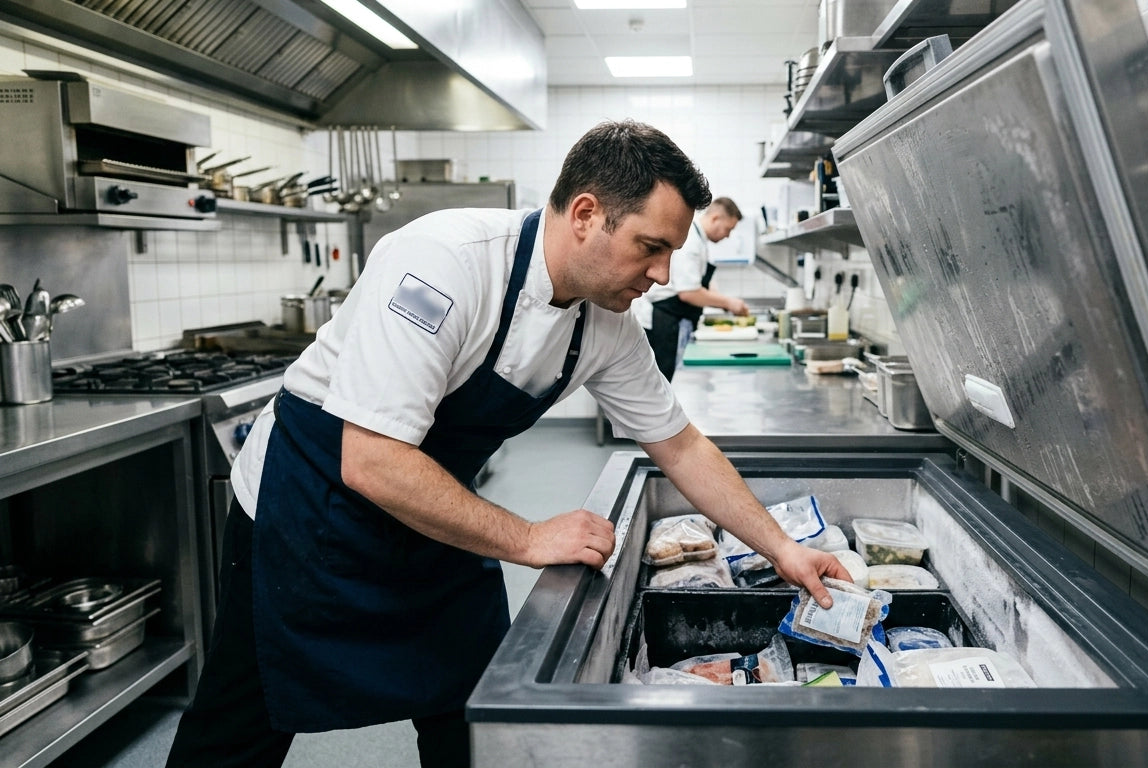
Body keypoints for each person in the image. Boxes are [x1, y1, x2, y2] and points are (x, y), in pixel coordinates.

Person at [165, 120, 846, 768]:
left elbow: (682, 446)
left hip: (435, 514)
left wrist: (781, 548)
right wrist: (524, 539)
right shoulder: (444, 264)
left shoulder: (605, 325)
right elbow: (371, 459)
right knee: (242, 726)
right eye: (651, 247)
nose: (665, 275)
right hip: (311, 514)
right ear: (586, 215)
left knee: (472, 718)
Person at [631, 196, 749, 381]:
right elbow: (688, 293)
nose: (727, 235)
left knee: (664, 381)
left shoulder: (699, 240)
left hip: (670, 317)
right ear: (715, 218)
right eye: (728, 229)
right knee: (658, 381)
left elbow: (699, 284)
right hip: (661, 318)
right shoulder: (691, 241)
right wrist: (728, 303)